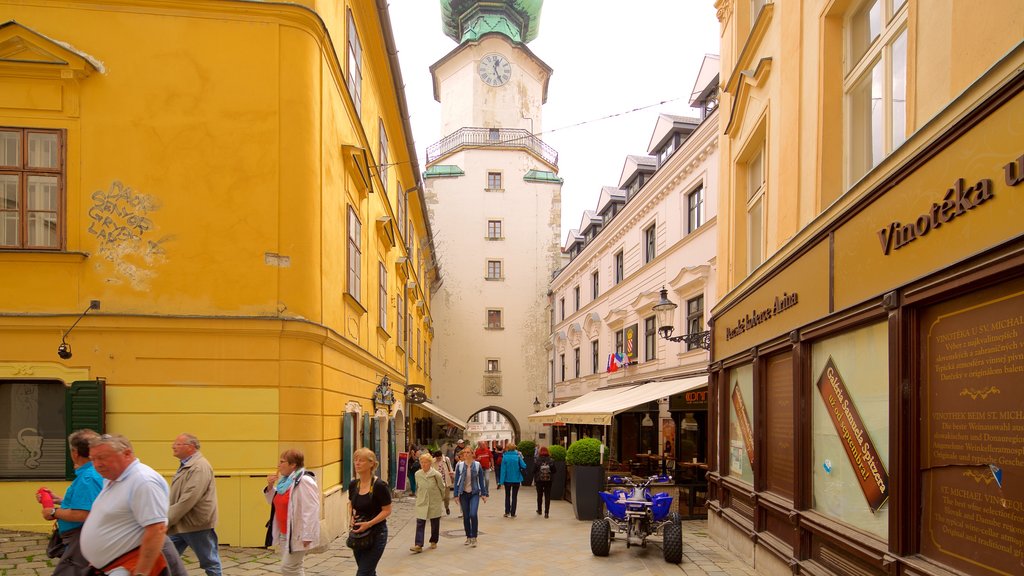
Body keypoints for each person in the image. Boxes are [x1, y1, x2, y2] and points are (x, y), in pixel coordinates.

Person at [80, 433, 171, 576]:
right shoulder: (113, 479)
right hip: (110, 566)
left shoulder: (143, 481)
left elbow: (157, 529)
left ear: (127, 454)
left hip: (127, 566)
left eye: (102, 458)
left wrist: (141, 573)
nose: (97, 464)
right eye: (93, 459)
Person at [37, 429, 104, 576]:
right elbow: (91, 502)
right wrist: (60, 500)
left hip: (81, 537)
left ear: (75, 453)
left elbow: (83, 514)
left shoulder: (88, 477)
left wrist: (53, 512)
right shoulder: (94, 472)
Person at [167, 434, 221, 576]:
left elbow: (189, 498)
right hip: (181, 523)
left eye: (177, 444)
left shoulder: (199, 467)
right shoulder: (188, 465)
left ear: (190, 447)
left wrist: (168, 519)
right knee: (165, 558)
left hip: (196, 524)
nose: (173, 446)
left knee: (209, 561)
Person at [263, 449, 320, 576]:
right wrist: (270, 487)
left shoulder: (304, 480)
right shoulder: (285, 481)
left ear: (293, 465)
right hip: (285, 533)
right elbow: (275, 501)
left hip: (297, 533)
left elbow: (311, 509)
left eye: (282, 462)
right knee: (295, 568)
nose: (278, 465)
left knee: (287, 568)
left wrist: (308, 535)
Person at [348, 447, 392, 575]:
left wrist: (369, 523)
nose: (357, 463)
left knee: (363, 573)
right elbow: (351, 504)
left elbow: (387, 510)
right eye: (355, 460)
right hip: (358, 535)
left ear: (371, 463)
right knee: (368, 572)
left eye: (361, 460)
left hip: (377, 533)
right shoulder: (353, 485)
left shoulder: (380, 486)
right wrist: (351, 517)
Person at [410, 453, 445, 553]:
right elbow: (418, 487)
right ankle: (418, 545)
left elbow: (442, 487)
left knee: (434, 522)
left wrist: (440, 499)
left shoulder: (436, 475)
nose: (423, 464)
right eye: (422, 462)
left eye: (425, 462)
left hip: (434, 501)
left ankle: (434, 540)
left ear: (430, 463)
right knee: (420, 522)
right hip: (422, 501)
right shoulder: (418, 474)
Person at [453, 448, 488, 547]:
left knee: (473, 514)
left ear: (472, 454)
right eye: (465, 452)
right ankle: (468, 536)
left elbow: (481, 480)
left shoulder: (477, 465)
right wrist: (456, 495)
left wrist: (484, 494)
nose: (466, 454)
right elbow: (456, 481)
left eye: (468, 452)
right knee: (466, 516)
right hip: (463, 493)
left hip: (474, 493)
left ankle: (474, 537)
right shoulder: (459, 465)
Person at [498, 442, 526, 518]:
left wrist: (501, 481)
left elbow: (503, 470)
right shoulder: (517, 456)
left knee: (507, 495)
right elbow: (524, 466)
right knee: (514, 496)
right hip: (516, 479)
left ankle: (507, 512)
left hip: (507, 479)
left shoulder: (505, 457)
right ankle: (513, 513)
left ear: (507, 448)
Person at [533, 446, 556, 518]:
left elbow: (533, 470)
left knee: (539, 495)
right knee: (547, 496)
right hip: (548, 480)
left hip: (539, 480)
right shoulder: (551, 460)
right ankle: (546, 513)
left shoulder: (537, 460)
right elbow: (554, 471)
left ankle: (539, 510)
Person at [430, 449, 453, 515]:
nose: (438, 459)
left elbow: (450, 467)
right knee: (438, 498)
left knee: (446, 497)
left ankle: (447, 507)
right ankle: (438, 511)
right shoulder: (433, 461)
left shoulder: (446, 459)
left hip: (446, 481)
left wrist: (451, 475)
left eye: (439, 457)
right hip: (437, 482)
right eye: (437, 457)